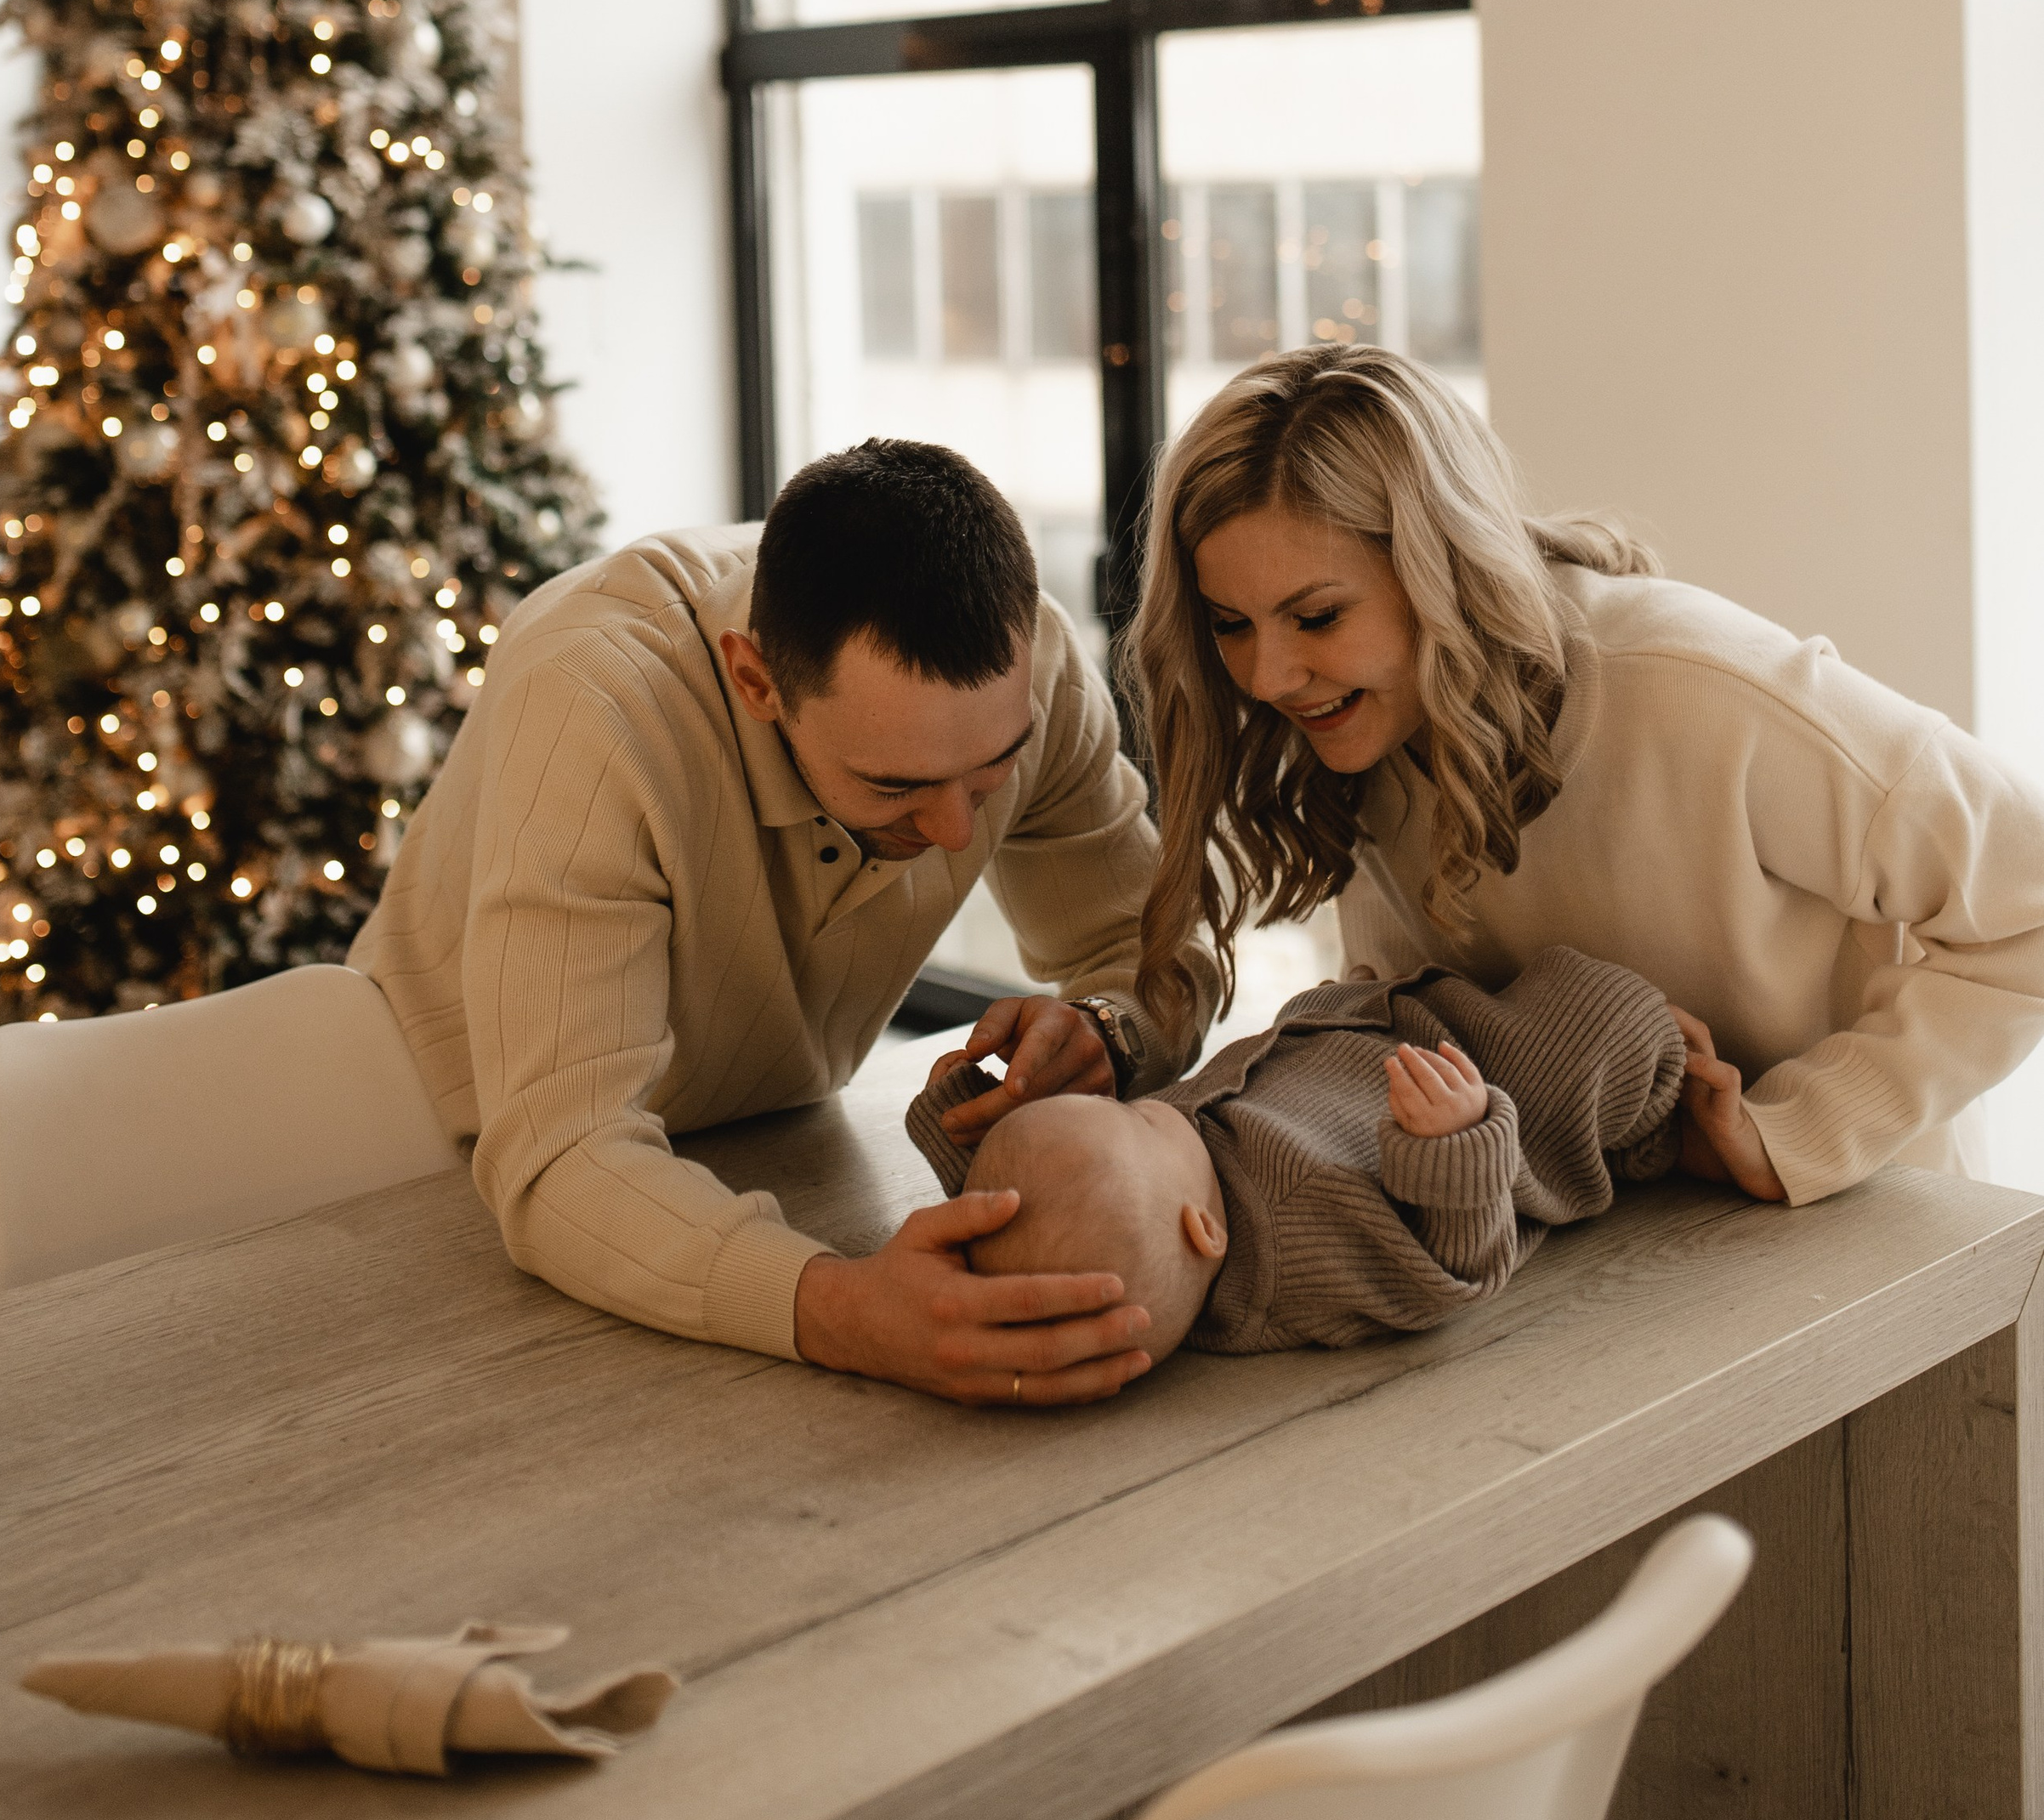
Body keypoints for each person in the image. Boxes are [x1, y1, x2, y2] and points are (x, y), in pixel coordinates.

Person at [352, 438, 1210, 1403]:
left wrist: (1108, 1028)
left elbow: (1160, 949)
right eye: (896, 785)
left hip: (770, 1147)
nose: (954, 829)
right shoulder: (587, 703)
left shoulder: (1034, 664)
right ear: (756, 680)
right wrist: (845, 1310)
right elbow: (562, 1155)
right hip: (427, 1181)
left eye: (993, 769)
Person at [1127, 344, 2044, 1210]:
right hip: (1617, 1252)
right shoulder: (1360, 725)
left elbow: (2027, 897)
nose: (1266, 677)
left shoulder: (1704, 691)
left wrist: (1793, 1129)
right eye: (1230, 623)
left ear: (1436, 568)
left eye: (1317, 616)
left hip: (1860, 1240)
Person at [906, 944, 1685, 1357]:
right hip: (1491, 1094)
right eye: (1138, 1121)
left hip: (1380, 1024)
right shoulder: (1296, 1251)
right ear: (1203, 1231)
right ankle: (1655, 1136)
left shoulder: (1147, 1192)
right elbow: (1450, 1273)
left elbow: (1014, 1219)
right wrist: (1456, 1144)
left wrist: (962, 1117)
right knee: (1606, 1014)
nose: (1150, 1109)